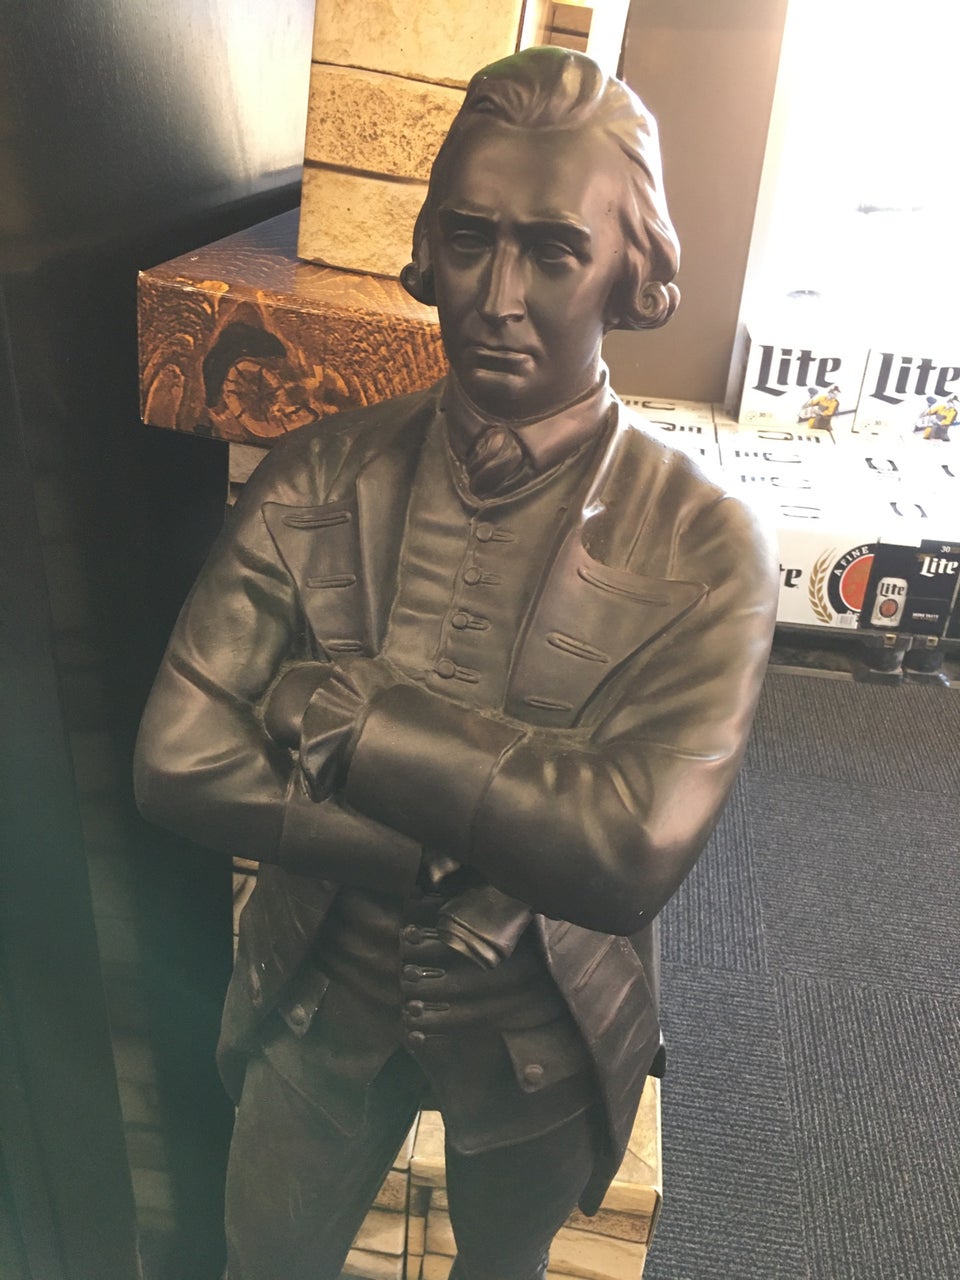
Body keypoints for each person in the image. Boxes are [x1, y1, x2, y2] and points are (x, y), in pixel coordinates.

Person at [135, 46, 777, 1280]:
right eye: (471, 240)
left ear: (630, 272)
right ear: (428, 249)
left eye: (554, 252)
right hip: (318, 996)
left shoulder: (707, 544)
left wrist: (340, 717)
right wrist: (433, 850)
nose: (499, 296)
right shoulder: (315, 476)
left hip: (542, 1028)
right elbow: (178, 756)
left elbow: (627, 846)